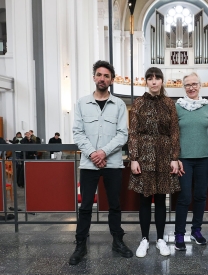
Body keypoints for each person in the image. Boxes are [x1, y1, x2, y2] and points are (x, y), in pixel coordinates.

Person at [69, 60, 133, 265]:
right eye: (99, 74)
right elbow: (78, 133)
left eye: (106, 76)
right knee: (86, 206)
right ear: (94, 77)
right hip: (89, 164)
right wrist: (93, 154)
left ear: (112, 80)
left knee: (114, 205)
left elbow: (123, 134)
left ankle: (117, 241)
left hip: (113, 164)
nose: (102, 78)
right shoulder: (81, 103)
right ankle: (80, 245)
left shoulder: (119, 104)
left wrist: (103, 152)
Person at [128, 67, 180, 258]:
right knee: (144, 199)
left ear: (162, 81)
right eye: (150, 78)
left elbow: (174, 131)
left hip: (165, 155)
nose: (154, 81)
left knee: (160, 199)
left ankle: (160, 239)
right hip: (144, 154)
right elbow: (133, 132)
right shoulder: (139, 103)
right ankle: (143, 239)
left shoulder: (169, 103)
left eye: (157, 78)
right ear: (146, 82)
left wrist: (174, 157)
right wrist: (134, 158)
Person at [174, 72, 208, 251]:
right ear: (184, 87)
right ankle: (179, 234)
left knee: (200, 196)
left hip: (204, 159)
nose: (191, 87)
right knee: (184, 197)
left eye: (194, 84)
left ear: (200, 86)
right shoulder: (178, 107)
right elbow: (173, 135)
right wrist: (174, 158)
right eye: (188, 85)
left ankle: (196, 230)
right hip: (184, 160)